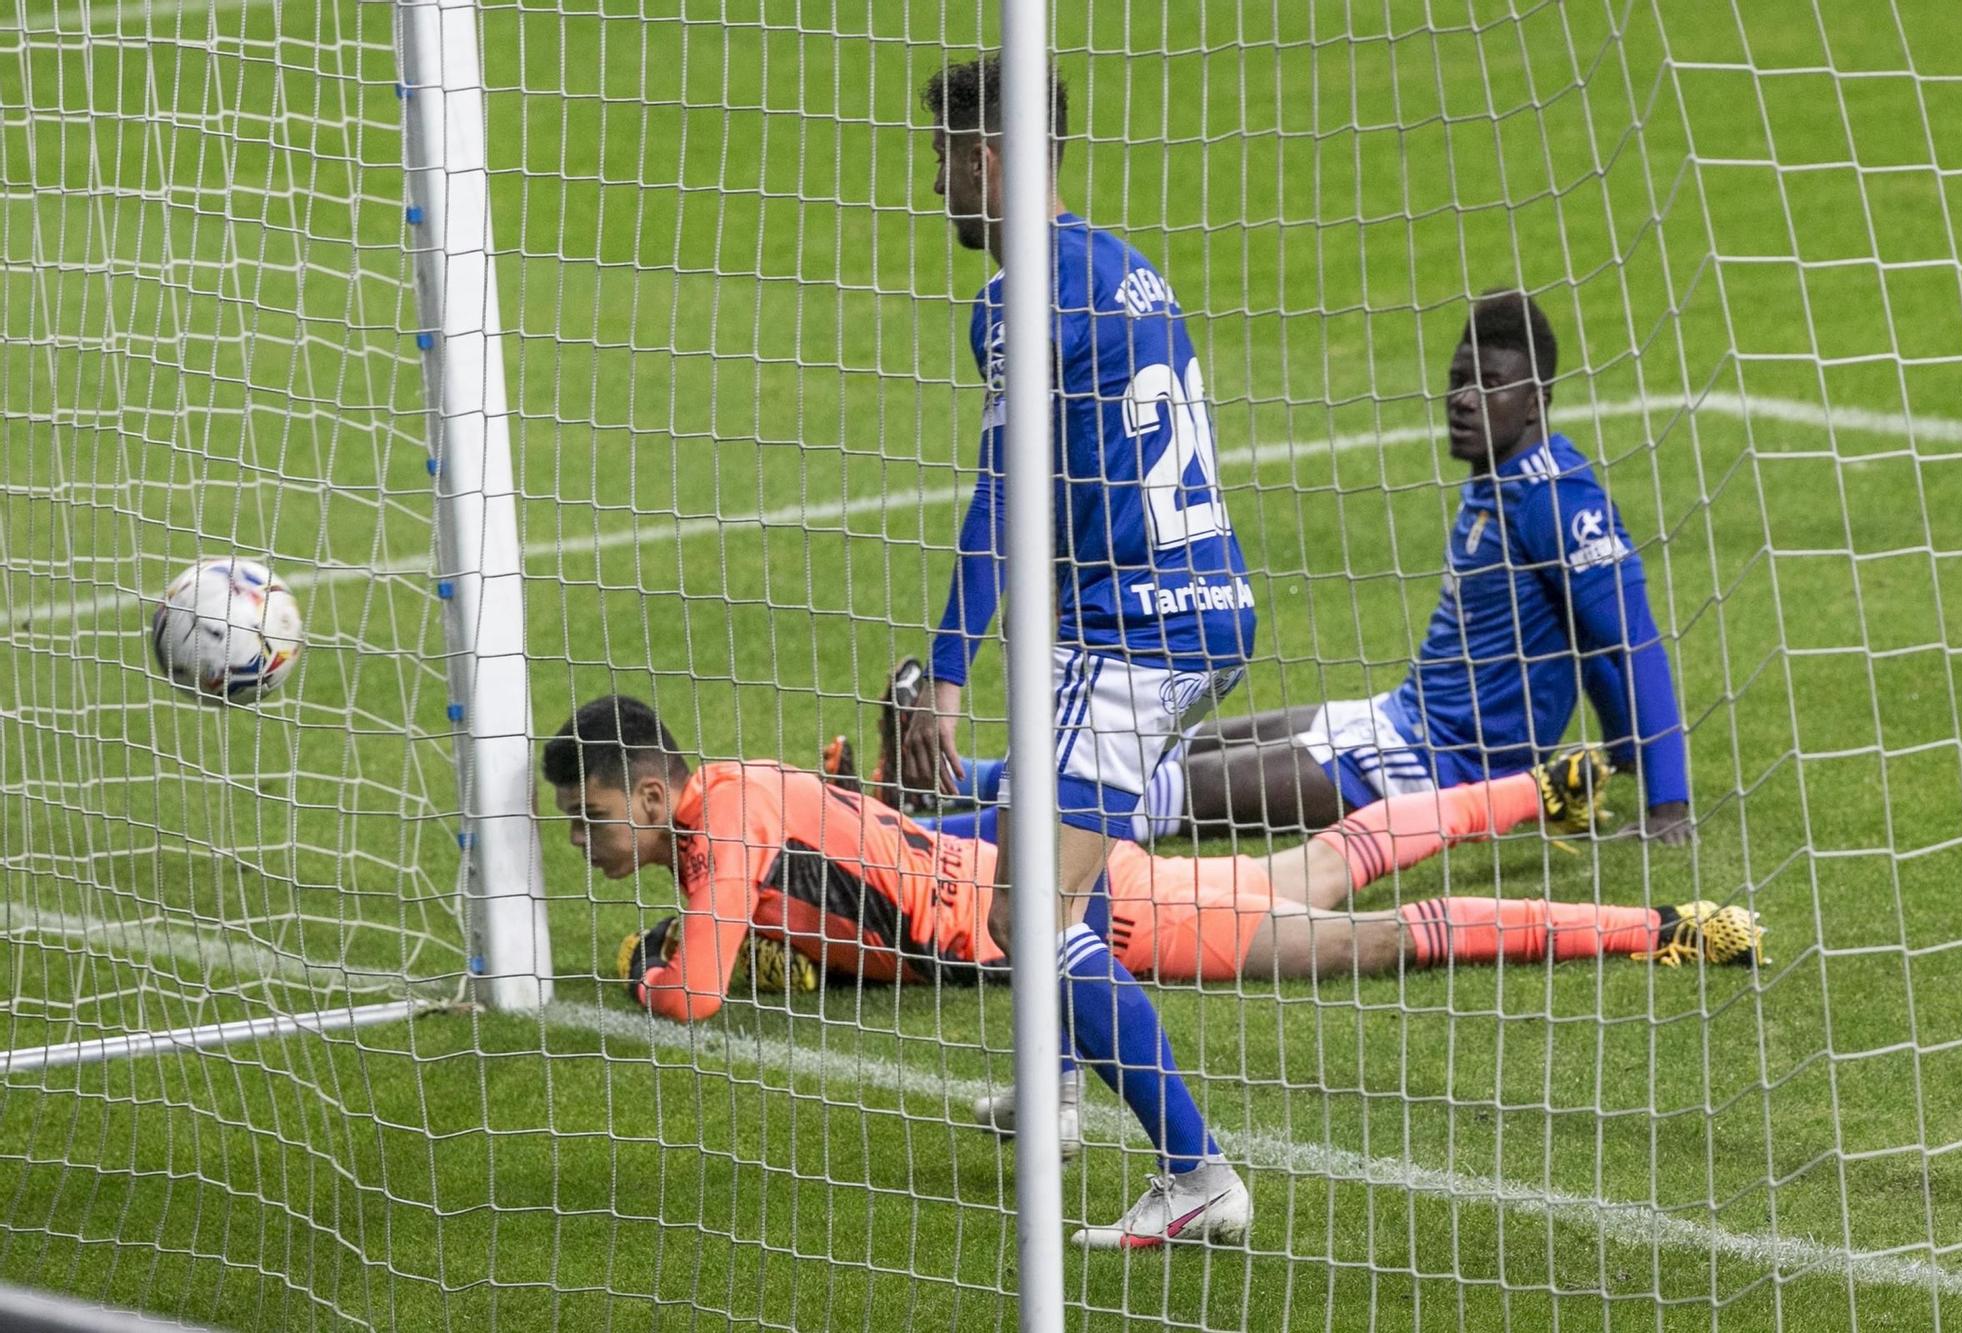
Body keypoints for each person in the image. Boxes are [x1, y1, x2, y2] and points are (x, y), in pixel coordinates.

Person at [545, 695, 1766, 1159]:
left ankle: (1656, 924)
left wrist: (666, 966)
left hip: (1091, 910)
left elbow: (697, 992)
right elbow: (819, 911)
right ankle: (1535, 792)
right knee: (1320, 869)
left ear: (651, 797)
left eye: (587, 817)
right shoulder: (739, 811)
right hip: (1046, 879)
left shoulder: (736, 818)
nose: (580, 842)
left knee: (1355, 927)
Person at [895, 52, 1266, 1248]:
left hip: (1131, 625)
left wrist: (945, 669)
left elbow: (1003, 491)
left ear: (990, 157)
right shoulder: (1126, 269)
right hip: (1206, 600)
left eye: (948, 157)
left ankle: (1197, 1170)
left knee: (1019, 904)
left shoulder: (1018, 294)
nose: (937, 184)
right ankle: (1052, 1088)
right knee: (1063, 851)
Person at [1064, 292, 1695, 847]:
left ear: (1536, 403)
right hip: (1401, 716)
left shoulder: (1557, 502)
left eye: (1490, 385)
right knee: (1168, 740)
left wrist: (1667, 803)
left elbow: (1628, 638)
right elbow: (1584, 633)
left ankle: (965, 848)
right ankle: (977, 781)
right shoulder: (1496, 481)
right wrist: (1623, 752)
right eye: (1457, 380)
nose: (1464, 401)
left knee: (1181, 790)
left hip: (1442, 770)